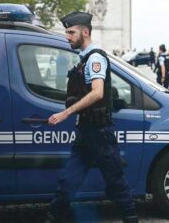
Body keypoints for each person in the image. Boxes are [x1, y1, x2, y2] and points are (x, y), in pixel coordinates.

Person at [46, 11, 138, 223]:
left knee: (116, 182)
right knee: (68, 181)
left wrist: (66, 113)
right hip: (86, 131)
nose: (67, 37)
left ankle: (131, 219)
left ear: (85, 32)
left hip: (99, 132)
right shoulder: (84, 58)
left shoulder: (95, 58)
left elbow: (97, 93)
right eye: (66, 32)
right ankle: (52, 218)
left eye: (71, 32)